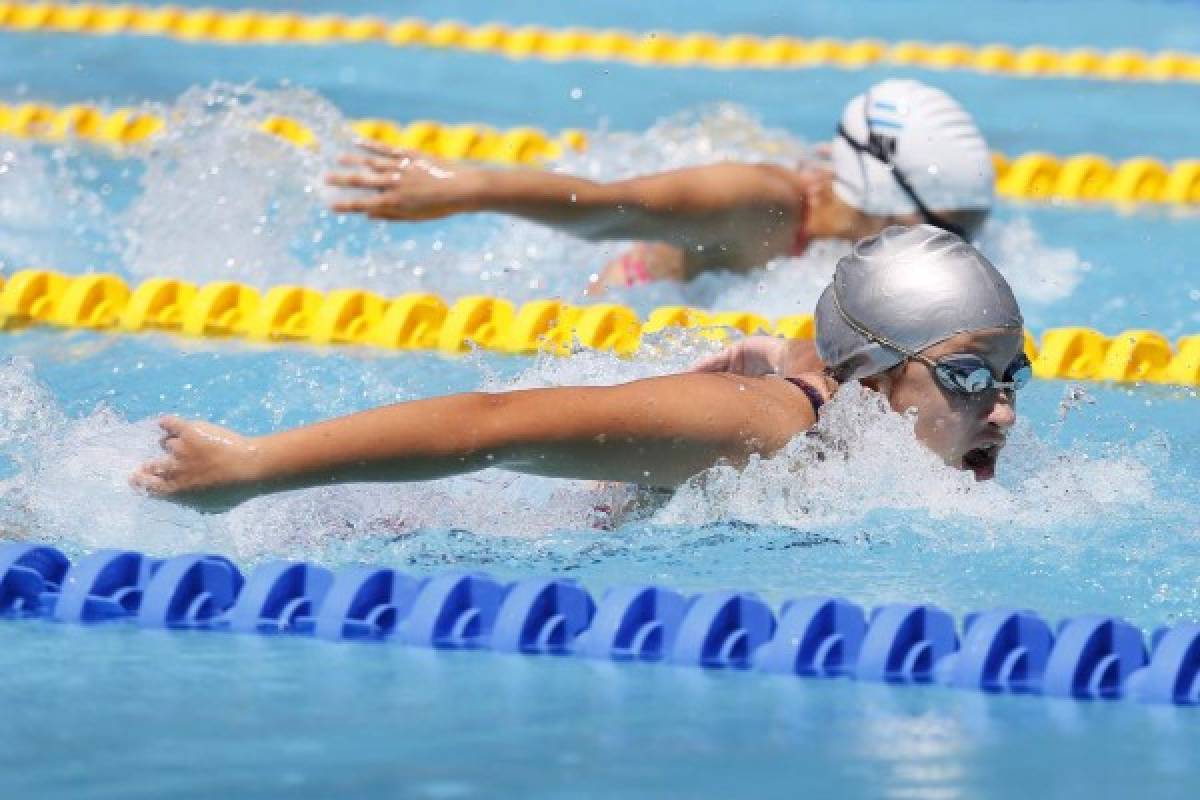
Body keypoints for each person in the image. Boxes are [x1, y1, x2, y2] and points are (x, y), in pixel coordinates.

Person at [133, 225, 1028, 513]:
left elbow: (821, 354)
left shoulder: (843, 392)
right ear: (870, 377)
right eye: (966, 378)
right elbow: (491, 425)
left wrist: (781, 351)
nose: (1001, 414)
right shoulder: (760, 429)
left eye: (1010, 375)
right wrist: (252, 468)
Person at [325, 80, 994, 292]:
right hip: (617, 305)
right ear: (881, 195)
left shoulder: (860, 231)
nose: (951, 249)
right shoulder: (756, 203)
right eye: (946, 229)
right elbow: (607, 209)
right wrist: (471, 187)